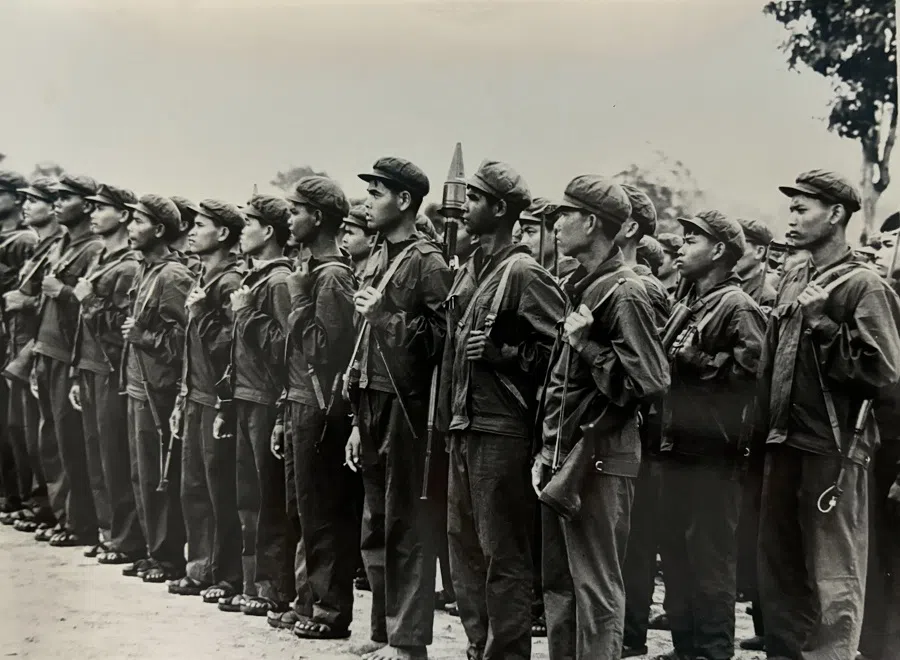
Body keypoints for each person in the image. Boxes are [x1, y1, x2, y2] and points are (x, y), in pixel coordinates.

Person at [757, 170, 900, 660]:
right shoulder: (795, 277)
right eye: (791, 209)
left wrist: (822, 324)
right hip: (783, 444)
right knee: (779, 575)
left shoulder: (866, 286)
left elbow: (882, 374)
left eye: (802, 209)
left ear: (836, 214)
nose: (791, 219)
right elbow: (771, 364)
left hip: (833, 451)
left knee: (833, 577)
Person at [533, 174, 669, 659]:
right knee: (561, 587)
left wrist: (587, 346)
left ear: (591, 223)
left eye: (564, 214)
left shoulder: (626, 292)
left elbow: (650, 382)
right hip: (566, 456)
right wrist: (544, 449)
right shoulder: (583, 286)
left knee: (594, 587)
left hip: (601, 458)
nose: (555, 224)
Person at [439, 161, 564, 660]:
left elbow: (563, 350)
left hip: (503, 429)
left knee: (502, 554)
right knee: (464, 549)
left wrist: (504, 355)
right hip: (464, 424)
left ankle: (506, 653)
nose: (464, 206)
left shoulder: (524, 272)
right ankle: (478, 646)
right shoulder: (471, 267)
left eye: (474, 198)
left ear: (499, 209)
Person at [344, 156, 451, 660]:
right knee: (376, 524)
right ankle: (384, 633)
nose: (368, 201)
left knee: (406, 524)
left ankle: (409, 644)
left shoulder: (429, 262)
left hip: (408, 411)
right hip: (370, 402)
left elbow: (440, 341)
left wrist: (386, 315)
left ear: (404, 200)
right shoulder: (383, 255)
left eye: (377, 192)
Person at [655, 210, 765, 660]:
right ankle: (686, 648)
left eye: (693, 240)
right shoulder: (695, 301)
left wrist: (695, 360)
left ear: (719, 251)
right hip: (679, 447)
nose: (681, 247)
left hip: (715, 455)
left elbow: (751, 379)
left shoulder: (738, 306)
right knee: (677, 556)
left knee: (710, 560)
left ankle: (713, 652)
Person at [278, 176, 357, 640]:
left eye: (296, 211)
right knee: (303, 508)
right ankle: (307, 599)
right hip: (298, 402)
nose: (290, 219)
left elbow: (320, 351)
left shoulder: (331, 276)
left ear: (319, 217)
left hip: (320, 406)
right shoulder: (314, 272)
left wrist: (299, 294)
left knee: (323, 509)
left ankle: (329, 610)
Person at [215, 194, 295, 616]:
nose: (241, 230)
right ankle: (253, 583)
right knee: (248, 498)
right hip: (246, 398)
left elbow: (287, 351)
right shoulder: (257, 279)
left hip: (267, 401)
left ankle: (275, 589)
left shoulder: (279, 282)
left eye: (249, 222)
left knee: (269, 501)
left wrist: (246, 316)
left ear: (268, 232)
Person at [167, 199, 245, 599]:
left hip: (217, 401)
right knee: (193, 488)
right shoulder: (205, 276)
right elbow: (190, 350)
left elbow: (233, 349)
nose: (193, 232)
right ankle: (199, 569)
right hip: (196, 397)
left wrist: (201, 315)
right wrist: (183, 399)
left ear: (224, 234)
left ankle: (227, 575)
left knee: (220, 491)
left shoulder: (230, 283)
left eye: (201, 225)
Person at [69, 183, 145, 564]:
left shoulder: (128, 266)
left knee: (114, 457)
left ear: (124, 215)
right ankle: (107, 531)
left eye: (103, 208)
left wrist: (90, 300)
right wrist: (74, 371)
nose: (95, 213)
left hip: (110, 370)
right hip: (89, 367)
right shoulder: (101, 259)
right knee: (96, 456)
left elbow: (120, 329)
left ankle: (126, 537)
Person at [120, 193, 193, 583]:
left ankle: (168, 558)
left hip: (159, 390)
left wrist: (145, 338)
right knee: (142, 474)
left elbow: (186, 342)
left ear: (160, 230)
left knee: (161, 473)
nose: (131, 227)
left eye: (138, 221)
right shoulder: (145, 270)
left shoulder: (172, 276)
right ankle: (154, 552)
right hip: (138, 387)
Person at [31, 174, 104, 548]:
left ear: (87, 206)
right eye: (55, 197)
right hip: (47, 350)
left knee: (70, 442)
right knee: (51, 442)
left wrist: (64, 292)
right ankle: (64, 516)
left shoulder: (93, 249)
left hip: (67, 353)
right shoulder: (62, 243)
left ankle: (79, 523)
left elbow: (93, 308)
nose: (56, 203)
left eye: (65, 197)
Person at [616, 185, 672, 658]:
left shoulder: (642, 286)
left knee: (633, 540)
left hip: (641, 431)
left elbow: (646, 373)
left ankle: (629, 633)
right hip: (632, 429)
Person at [2, 177, 63, 534]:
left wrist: (27, 301)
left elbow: (55, 302)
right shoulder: (41, 246)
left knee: (45, 435)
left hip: (39, 346)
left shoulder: (47, 246)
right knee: (21, 429)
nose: (27, 205)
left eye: (34, 200)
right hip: (22, 344)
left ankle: (47, 508)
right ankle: (33, 502)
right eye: (23, 198)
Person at [0, 171, 38, 517]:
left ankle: (22, 498)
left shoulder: (25, 240)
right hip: (6, 335)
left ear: (17, 198)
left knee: (15, 423)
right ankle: (9, 495)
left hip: (16, 338)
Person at [736, 217, 776, 309]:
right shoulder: (721, 284)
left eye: (739, 245)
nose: (731, 252)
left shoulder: (766, 298)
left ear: (759, 252)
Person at [341, 204, 376, 278]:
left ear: (372, 241)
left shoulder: (374, 276)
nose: (344, 239)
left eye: (350, 233)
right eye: (345, 232)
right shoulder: (343, 272)